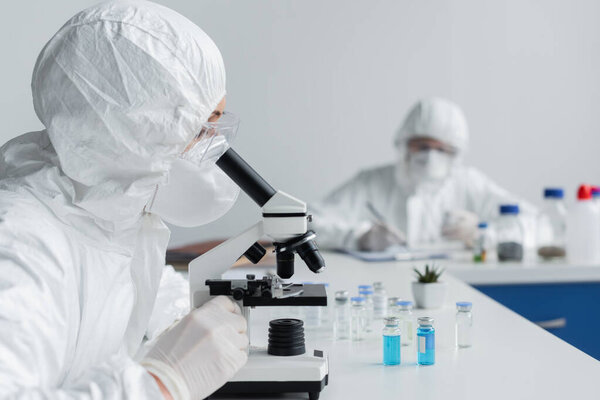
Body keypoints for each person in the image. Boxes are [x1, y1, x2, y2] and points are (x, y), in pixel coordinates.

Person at [0, 2, 248, 399]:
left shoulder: (109, 216)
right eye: (202, 129)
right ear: (134, 133)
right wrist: (160, 385)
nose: (212, 149)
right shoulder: (21, 250)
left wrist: (196, 318)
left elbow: (142, 289)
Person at [311, 97, 537, 251]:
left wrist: (481, 234)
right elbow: (309, 222)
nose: (430, 157)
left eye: (441, 149)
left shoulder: (469, 183)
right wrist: (359, 237)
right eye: (422, 146)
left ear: (455, 153)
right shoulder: (372, 182)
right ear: (405, 145)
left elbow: (536, 224)